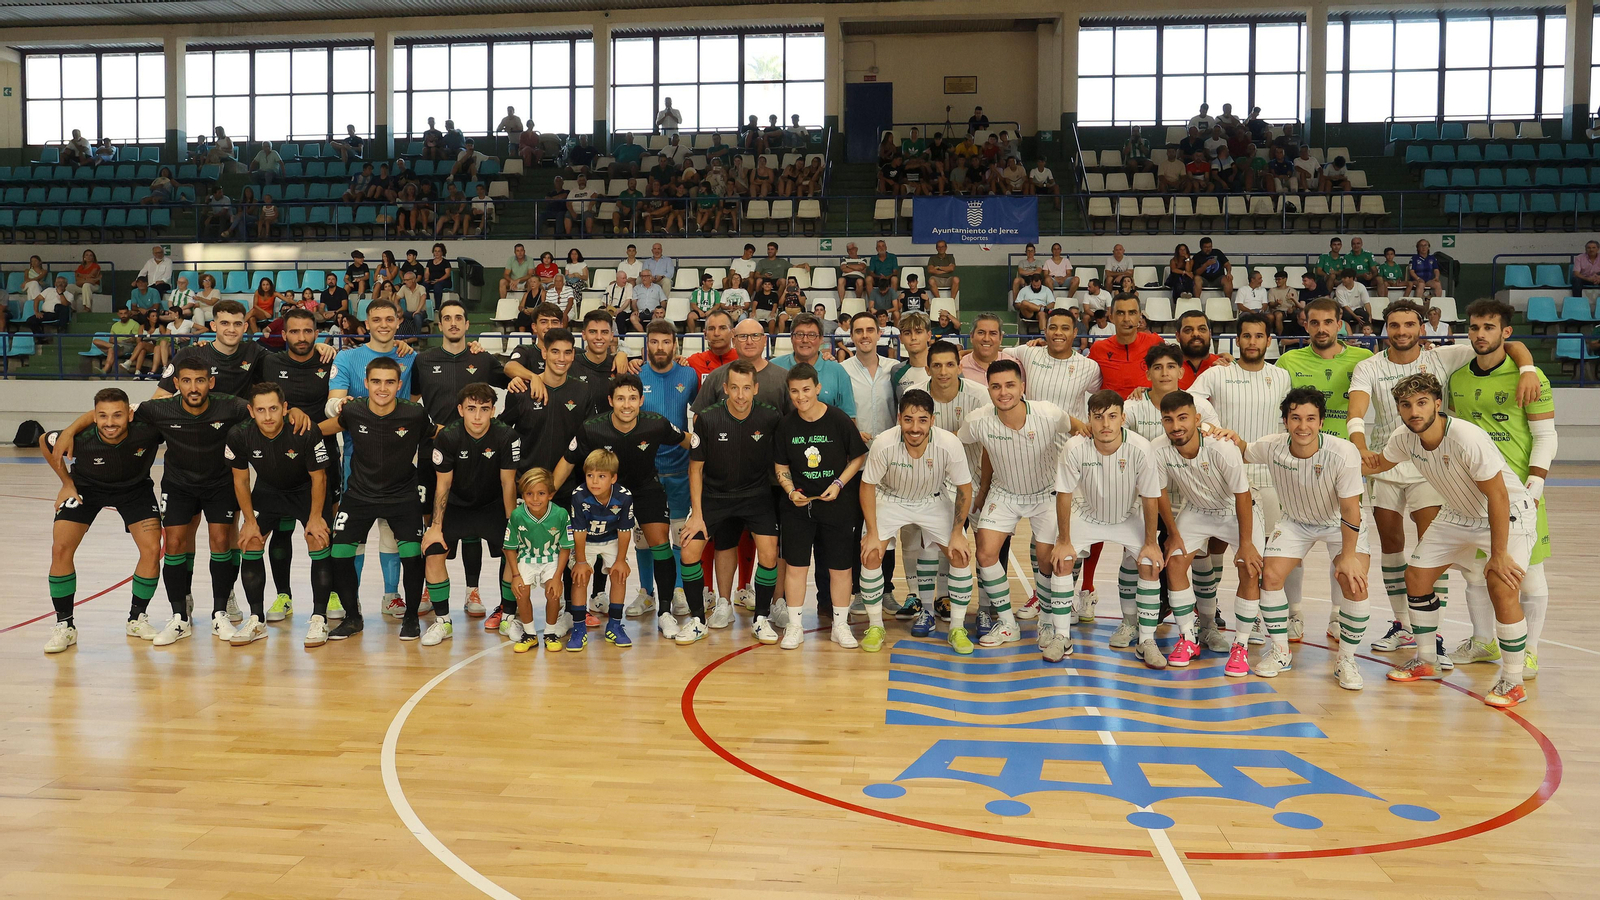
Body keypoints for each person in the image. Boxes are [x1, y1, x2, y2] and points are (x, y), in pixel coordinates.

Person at [1346, 300, 1535, 654]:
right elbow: (1358, 417)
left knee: (1465, 567)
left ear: (1421, 327)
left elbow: (1505, 343)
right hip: (1393, 458)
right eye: (1394, 325)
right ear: (1386, 328)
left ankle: (1445, 641)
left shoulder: (1444, 358)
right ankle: (1412, 637)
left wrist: (1527, 369)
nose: (1401, 331)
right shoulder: (1370, 370)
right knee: (1400, 556)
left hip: (1437, 470)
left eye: (1409, 324)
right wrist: (1351, 453)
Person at [1362, 373, 1534, 709]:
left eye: (1422, 403)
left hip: (1507, 513)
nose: (1414, 411)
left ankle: (1513, 681)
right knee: (1417, 576)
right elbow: (1379, 464)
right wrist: (1324, 453)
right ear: (1398, 408)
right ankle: (1427, 659)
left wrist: (1497, 554)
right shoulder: (1404, 437)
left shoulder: (1466, 437)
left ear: (1437, 404)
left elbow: (1498, 496)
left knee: (1501, 585)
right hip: (1457, 513)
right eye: (1406, 405)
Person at [1223, 387, 1370, 681]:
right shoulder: (1272, 446)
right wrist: (1226, 434)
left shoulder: (1343, 453)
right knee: (1272, 576)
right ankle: (1280, 651)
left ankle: (1347, 660)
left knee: (1354, 583)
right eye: (1296, 418)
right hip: (1295, 522)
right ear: (1286, 421)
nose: (1303, 426)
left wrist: (1349, 556)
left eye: (1310, 419)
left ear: (1322, 422)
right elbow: (1243, 449)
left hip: (1338, 523)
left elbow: (1351, 510)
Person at [1448, 299, 1555, 678]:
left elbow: (1546, 437)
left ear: (1506, 333)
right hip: (1475, 494)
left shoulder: (1530, 376)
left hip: (1522, 494)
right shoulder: (1457, 378)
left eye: (1489, 328)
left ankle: (1529, 651)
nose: (1480, 335)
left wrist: (1535, 486)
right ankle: (1483, 641)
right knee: (1476, 573)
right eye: (1474, 327)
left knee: (1530, 575)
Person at [958, 359, 1077, 648]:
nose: (1003, 392)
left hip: (1046, 494)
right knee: (986, 554)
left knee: (1049, 561)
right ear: (988, 390)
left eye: (1010, 385)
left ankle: (1047, 623)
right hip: (1005, 494)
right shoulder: (977, 420)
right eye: (996, 386)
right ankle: (1008, 624)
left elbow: (1080, 430)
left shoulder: (1048, 413)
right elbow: (964, 446)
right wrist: (984, 489)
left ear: (1022, 387)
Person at [38, 389, 167, 654]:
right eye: (103, 416)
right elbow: (44, 441)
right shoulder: (80, 437)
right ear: (94, 417)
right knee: (60, 547)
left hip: (135, 490)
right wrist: (66, 484)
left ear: (129, 415)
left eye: (118, 415)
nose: (110, 422)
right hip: (86, 488)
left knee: (153, 548)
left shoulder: (148, 430)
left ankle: (136, 618)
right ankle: (65, 625)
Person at [318, 358, 433, 641]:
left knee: (411, 556)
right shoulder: (354, 410)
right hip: (359, 495)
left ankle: (410, 619)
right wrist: (292, 427)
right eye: (377, 382)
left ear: (400, 384)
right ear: (367, 383)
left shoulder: (414, 413)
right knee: (339, 555)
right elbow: (324, 428)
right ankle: (353, 618)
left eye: (390, 382)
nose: (383, 388)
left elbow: (439, 434)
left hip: (402, 496)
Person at [1052, 390, 1166, 666]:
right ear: (1089, 419)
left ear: (1123, 418)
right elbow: (1064, 494)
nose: (1105, 424)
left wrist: (1151, 542)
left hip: (1128, 516)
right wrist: (1064, 539)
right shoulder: (1074, 447)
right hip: (1087, 515)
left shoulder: (1140, 448)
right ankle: (1060, 635)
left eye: (1112, 416)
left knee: (1149, 563)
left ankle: (1145, 639)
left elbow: (1151, 497)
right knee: (1062, 561)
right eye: (1098, 417)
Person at [677, 360, 783, 645]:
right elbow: (695, 468)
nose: (740, 395)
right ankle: (699, 619)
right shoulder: (708, 419)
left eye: (746, 388)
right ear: (725, 388)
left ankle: (761, 618)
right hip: (715, 497)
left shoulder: (770, 417)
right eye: (734, 388)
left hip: (756, 496)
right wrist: (697, 515)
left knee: (770, 552)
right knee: (689, 551)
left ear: (756, 389)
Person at [228, 382, 335, 646]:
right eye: (261, 410)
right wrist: (250, 522)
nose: (268, 416)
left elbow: (319, 478)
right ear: (251, 411)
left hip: (306, 491)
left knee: (317, 538)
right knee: (250, 542)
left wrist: (315, 517)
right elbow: (240, 481)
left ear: (285, 409)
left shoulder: (305, 431)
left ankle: (319, 618)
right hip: (268, 491)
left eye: (274, 409)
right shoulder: (239, 435)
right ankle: (256, 620)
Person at [771, 364, 870, 648]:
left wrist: (838, 484)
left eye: (806, 390)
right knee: (796, 568)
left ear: (817, 388)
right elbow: (781, 465)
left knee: (840, 569)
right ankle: (795, 625)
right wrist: (790, 491)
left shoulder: (838, 420)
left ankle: (840, 625)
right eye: (794, 391)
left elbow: (857, 457)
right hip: (798, 508)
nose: (800, 396)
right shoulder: (786, 424)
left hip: (836, 505)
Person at [501, 468, 574, 652]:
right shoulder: (517, 515)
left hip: (552, 558)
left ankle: (550, 633)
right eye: (529, 494)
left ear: (550, 494)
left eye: (541, 493)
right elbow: (509, 547)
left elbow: (566, 547)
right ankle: (530, 634)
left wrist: (558, 576)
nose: (535, 499)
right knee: (521, 591)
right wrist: (515, 575)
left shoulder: (560, 514)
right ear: (523, 495)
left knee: (553, 592)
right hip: (526, 557)